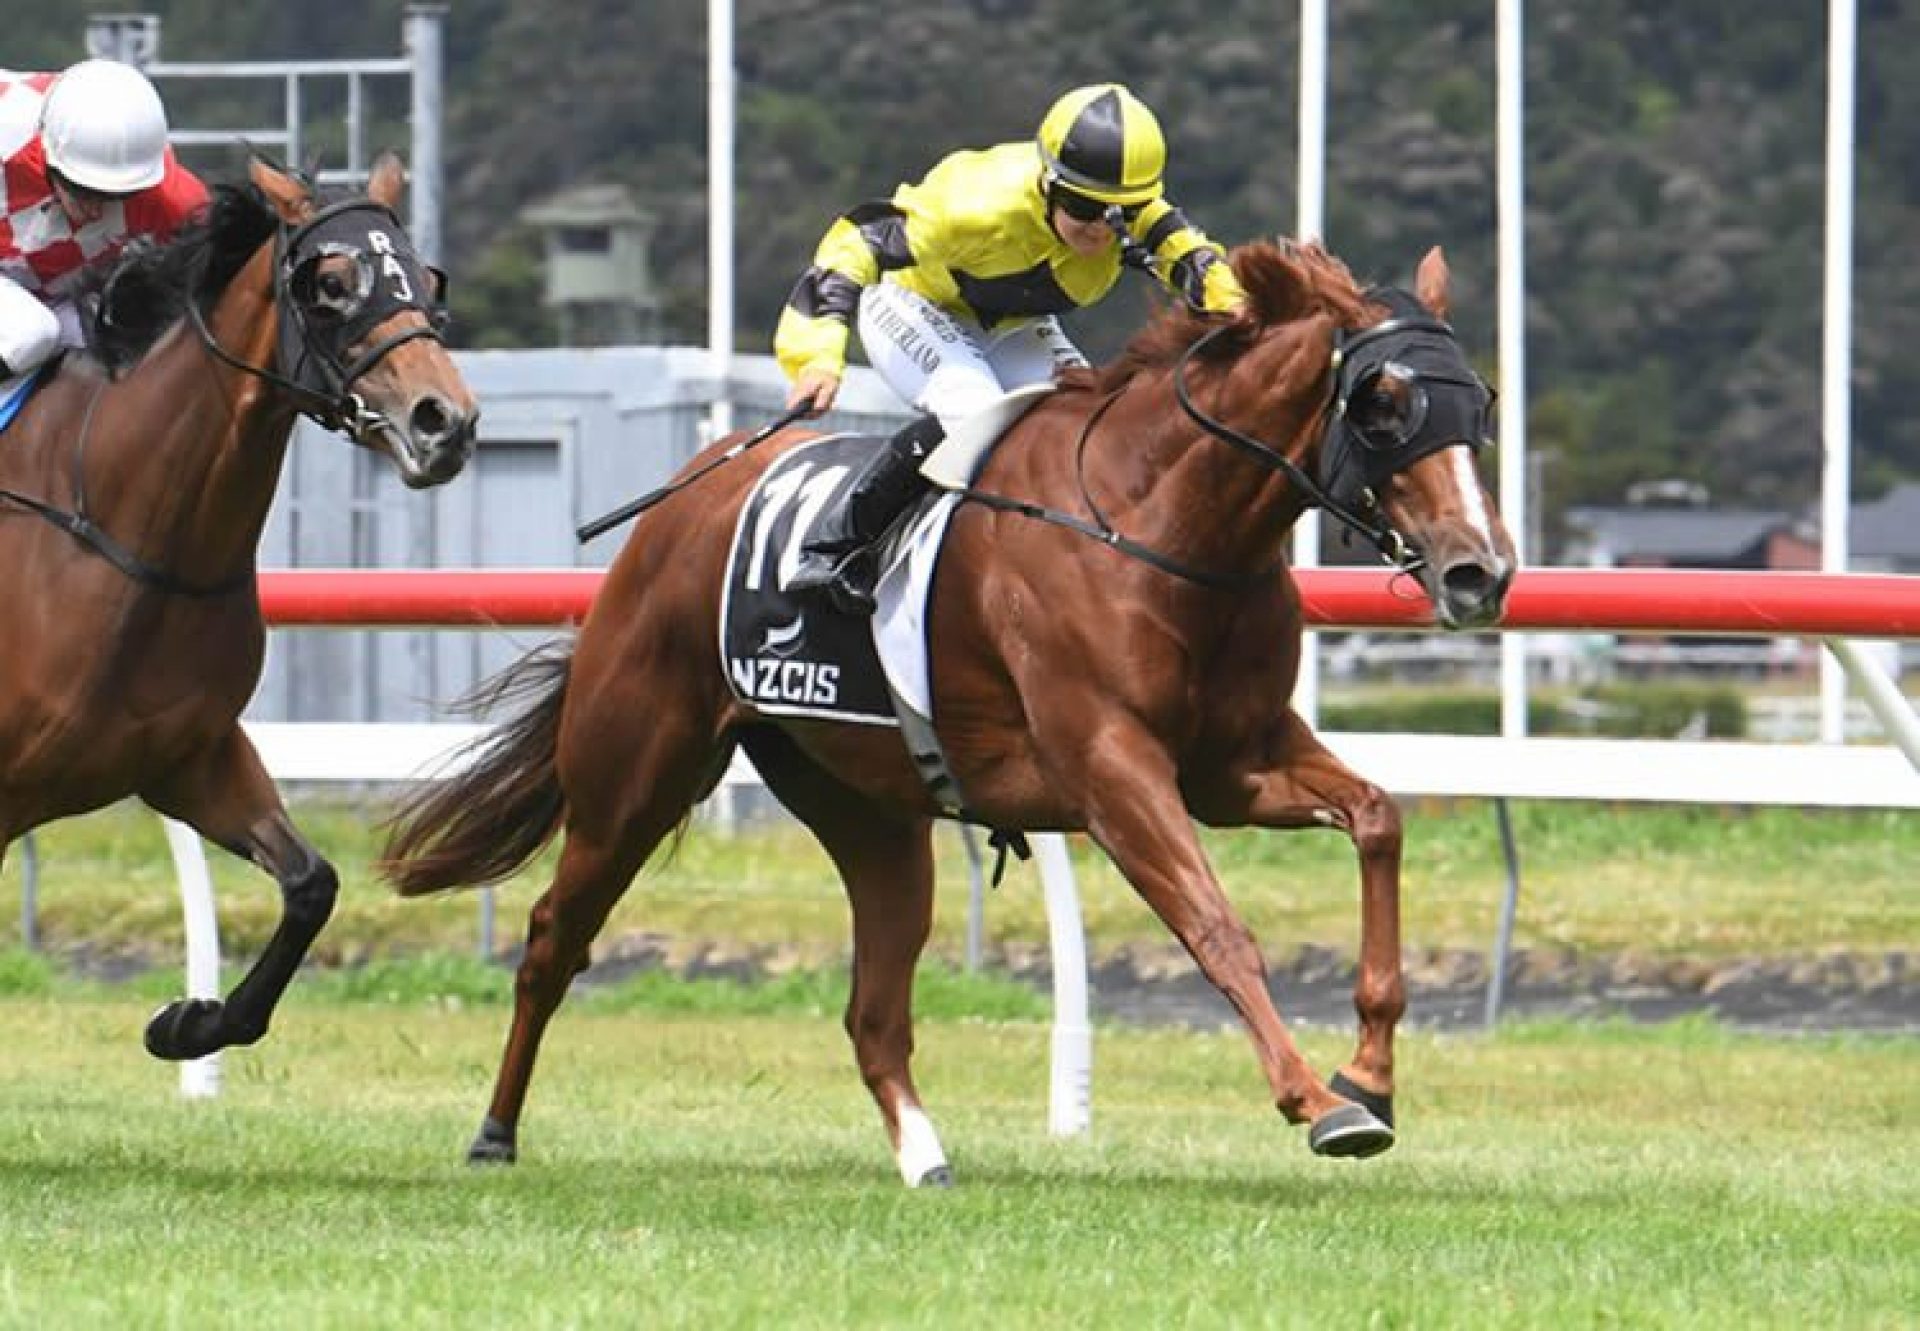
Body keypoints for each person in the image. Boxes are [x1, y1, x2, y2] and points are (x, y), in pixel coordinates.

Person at [773, 82, 1247, 613]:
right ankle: (839, 546)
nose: (1097, 229)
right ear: (1048, 185)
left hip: (1014, 320)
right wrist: (817, 355)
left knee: (1083, 422)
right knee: (977, 413)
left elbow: (1201, 265)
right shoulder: (974, 209)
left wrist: (1244, 314)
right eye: (1081, 207)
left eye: (1117, 215)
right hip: (913, 302)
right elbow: (853, 244)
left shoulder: (1133, 211)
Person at [0, 59, 208, 381]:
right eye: (83, 190)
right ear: (47, 155)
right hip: (31, 306)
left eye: (116, 196)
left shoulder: (173, 198)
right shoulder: (7, 125)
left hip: (51, 297)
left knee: (119, 354)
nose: (96, 212)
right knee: (30, 334)